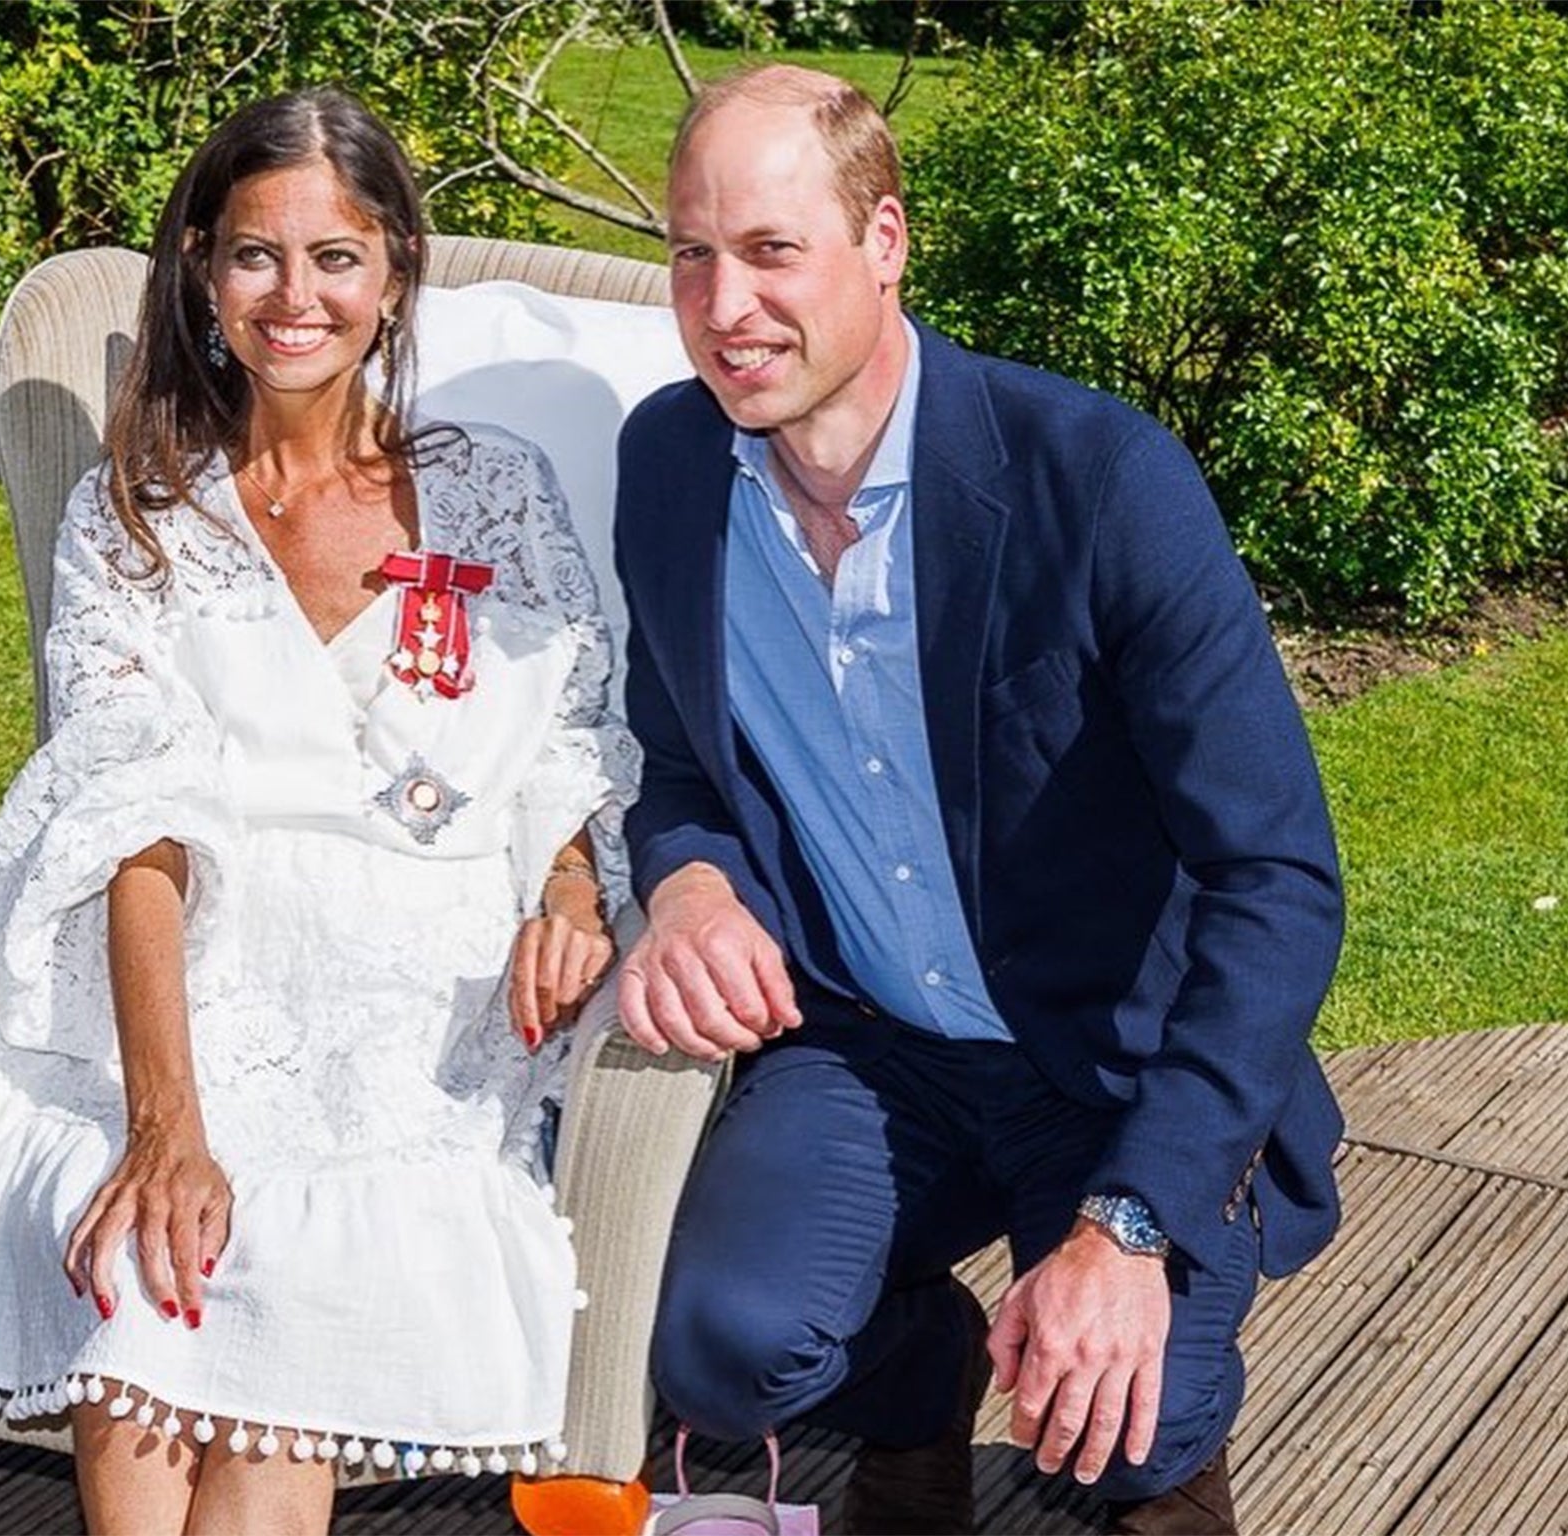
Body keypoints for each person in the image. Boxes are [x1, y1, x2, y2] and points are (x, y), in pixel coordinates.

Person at [0, 87, 636, 1536]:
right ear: (204, 270)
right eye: (257, 256)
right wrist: (167, 1119)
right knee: (157, 1280)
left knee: (285, 1302)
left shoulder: (495, 493)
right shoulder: (137, 512)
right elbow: (125, 823)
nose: (297, 298)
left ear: (395, 270)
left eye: (337, 258)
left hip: (419, 977)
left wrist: (576, 892)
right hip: (196, 966)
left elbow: (568, 739)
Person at [615, 65, 1344, 1536]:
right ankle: (921, 1371)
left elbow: (1278, 877)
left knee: (1117, 1436)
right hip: (872, 1049)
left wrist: (1129, 1225)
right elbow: (678, 766)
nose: (723, 303)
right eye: (693, 253)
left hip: (1113, 1058)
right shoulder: (669, 463)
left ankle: (1170, 1418)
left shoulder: (1099, 477)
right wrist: (687, 880)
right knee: (720, 1347)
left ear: (884, 241)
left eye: (771, 250)